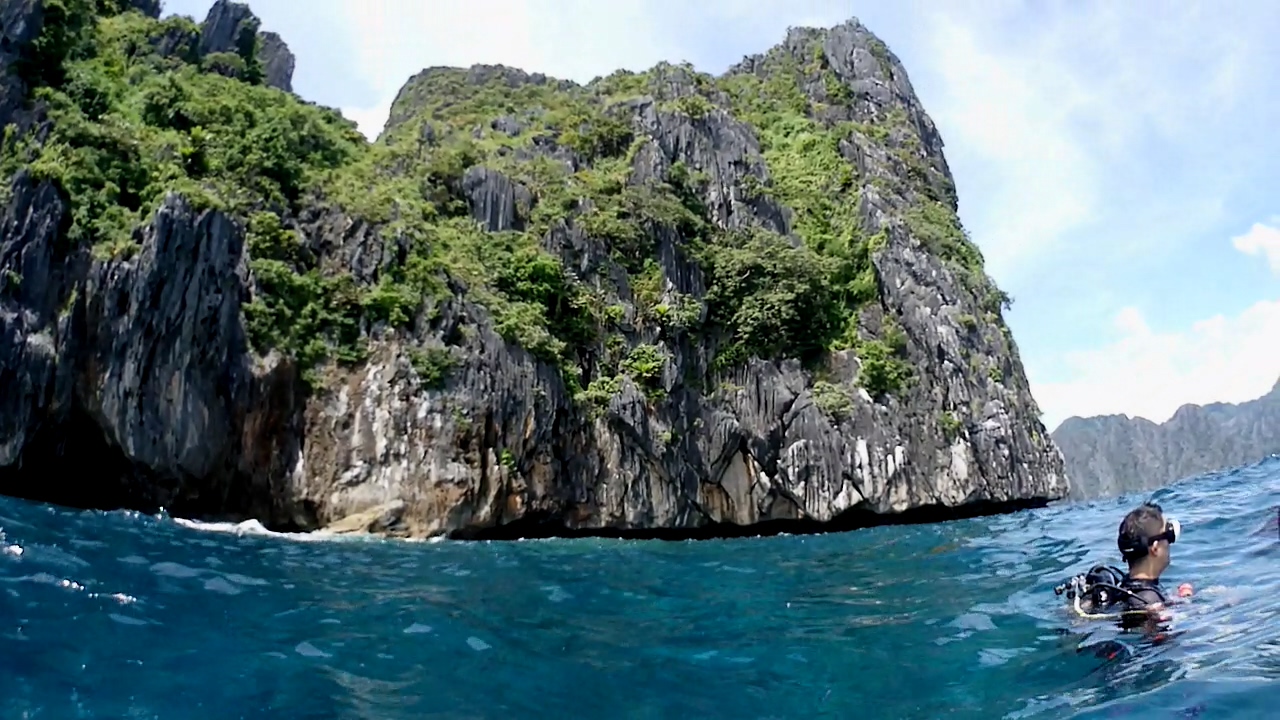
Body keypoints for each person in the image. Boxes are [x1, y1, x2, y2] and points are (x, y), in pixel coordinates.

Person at [1056, 502, 1193, 625]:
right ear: (1155, 548)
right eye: (1168, 536)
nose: (1169, 543)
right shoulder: (1149, 602)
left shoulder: (1121, 589)